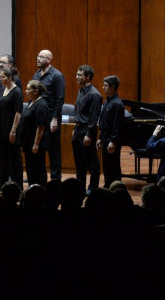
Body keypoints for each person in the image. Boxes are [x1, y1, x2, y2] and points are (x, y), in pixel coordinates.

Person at [32, 49, 66, 180]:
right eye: (38, 56)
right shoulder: (36, 75)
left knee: (53, 149)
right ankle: (39, 176)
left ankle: (55, 178)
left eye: (42, 56)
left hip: (51, 115)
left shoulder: (57, 76)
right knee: (39, 146)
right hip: (39, 116)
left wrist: (55, 118)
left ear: (49, 59)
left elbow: (60, 99)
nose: (38, 58)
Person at [0, 54, 22, 181]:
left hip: (10, 120)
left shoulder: (16, 84)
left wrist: (14, 129)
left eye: (3, 62)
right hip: (0, 120)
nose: (0, 64)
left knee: (12, 152)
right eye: (0, 62)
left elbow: (18, 109)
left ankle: (11, 175)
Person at [72, 65, 102, 194]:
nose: (77, 77)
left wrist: (89, 134)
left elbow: (93, 117)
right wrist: (75, 128)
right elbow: (80, 112)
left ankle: (93, 188)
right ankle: (80, 187)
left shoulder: (94, 94)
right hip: (78, 130)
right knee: (79, 163)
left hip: (87, 131)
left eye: (80, 75)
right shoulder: (81, 91)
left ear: (88, 77)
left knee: (92, 163)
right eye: (77, 75)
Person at [17, 80, 49, 187]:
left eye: (28, 89)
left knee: (38, 169)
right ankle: (32, 189)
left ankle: (41, 190)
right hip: (28, 142)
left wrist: (36, 144)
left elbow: (40, 127)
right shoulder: (32, 102)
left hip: (35, 143)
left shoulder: (41, 105)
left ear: (35, 91)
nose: (25, 91)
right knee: (31, 169)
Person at [97, 75, 125, 187]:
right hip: (105, 138)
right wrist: (100, 138)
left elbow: (116, 125)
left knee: (113, 166)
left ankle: (115, 187)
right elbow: (104, 122)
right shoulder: (107, 102)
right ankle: (108, 185)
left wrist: (113, 141)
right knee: (107, 166)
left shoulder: (117, 104)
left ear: (113, 87)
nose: (103, 88)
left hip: (111, 140)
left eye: (106, 86)